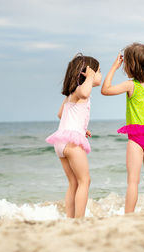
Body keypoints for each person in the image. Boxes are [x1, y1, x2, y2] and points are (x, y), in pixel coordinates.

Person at [101, 43, 144, 213]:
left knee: (132, 181)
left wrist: (114, 67)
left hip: (137, 137)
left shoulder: (131, 85)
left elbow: (105, 90)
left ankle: (129, 215)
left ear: (132, 65)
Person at [46, 53, 102, 218]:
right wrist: (90, 78)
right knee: (85, 181)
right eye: (98, 72)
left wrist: (82, 128)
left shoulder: (71, 93)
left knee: (73, 183)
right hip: (71, 142)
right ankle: (79, 219)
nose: (99, 75)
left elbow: (60, 114)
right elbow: (84, 93)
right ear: (87, 73)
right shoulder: (80, 90)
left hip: (61, 141)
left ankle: (70, 219)